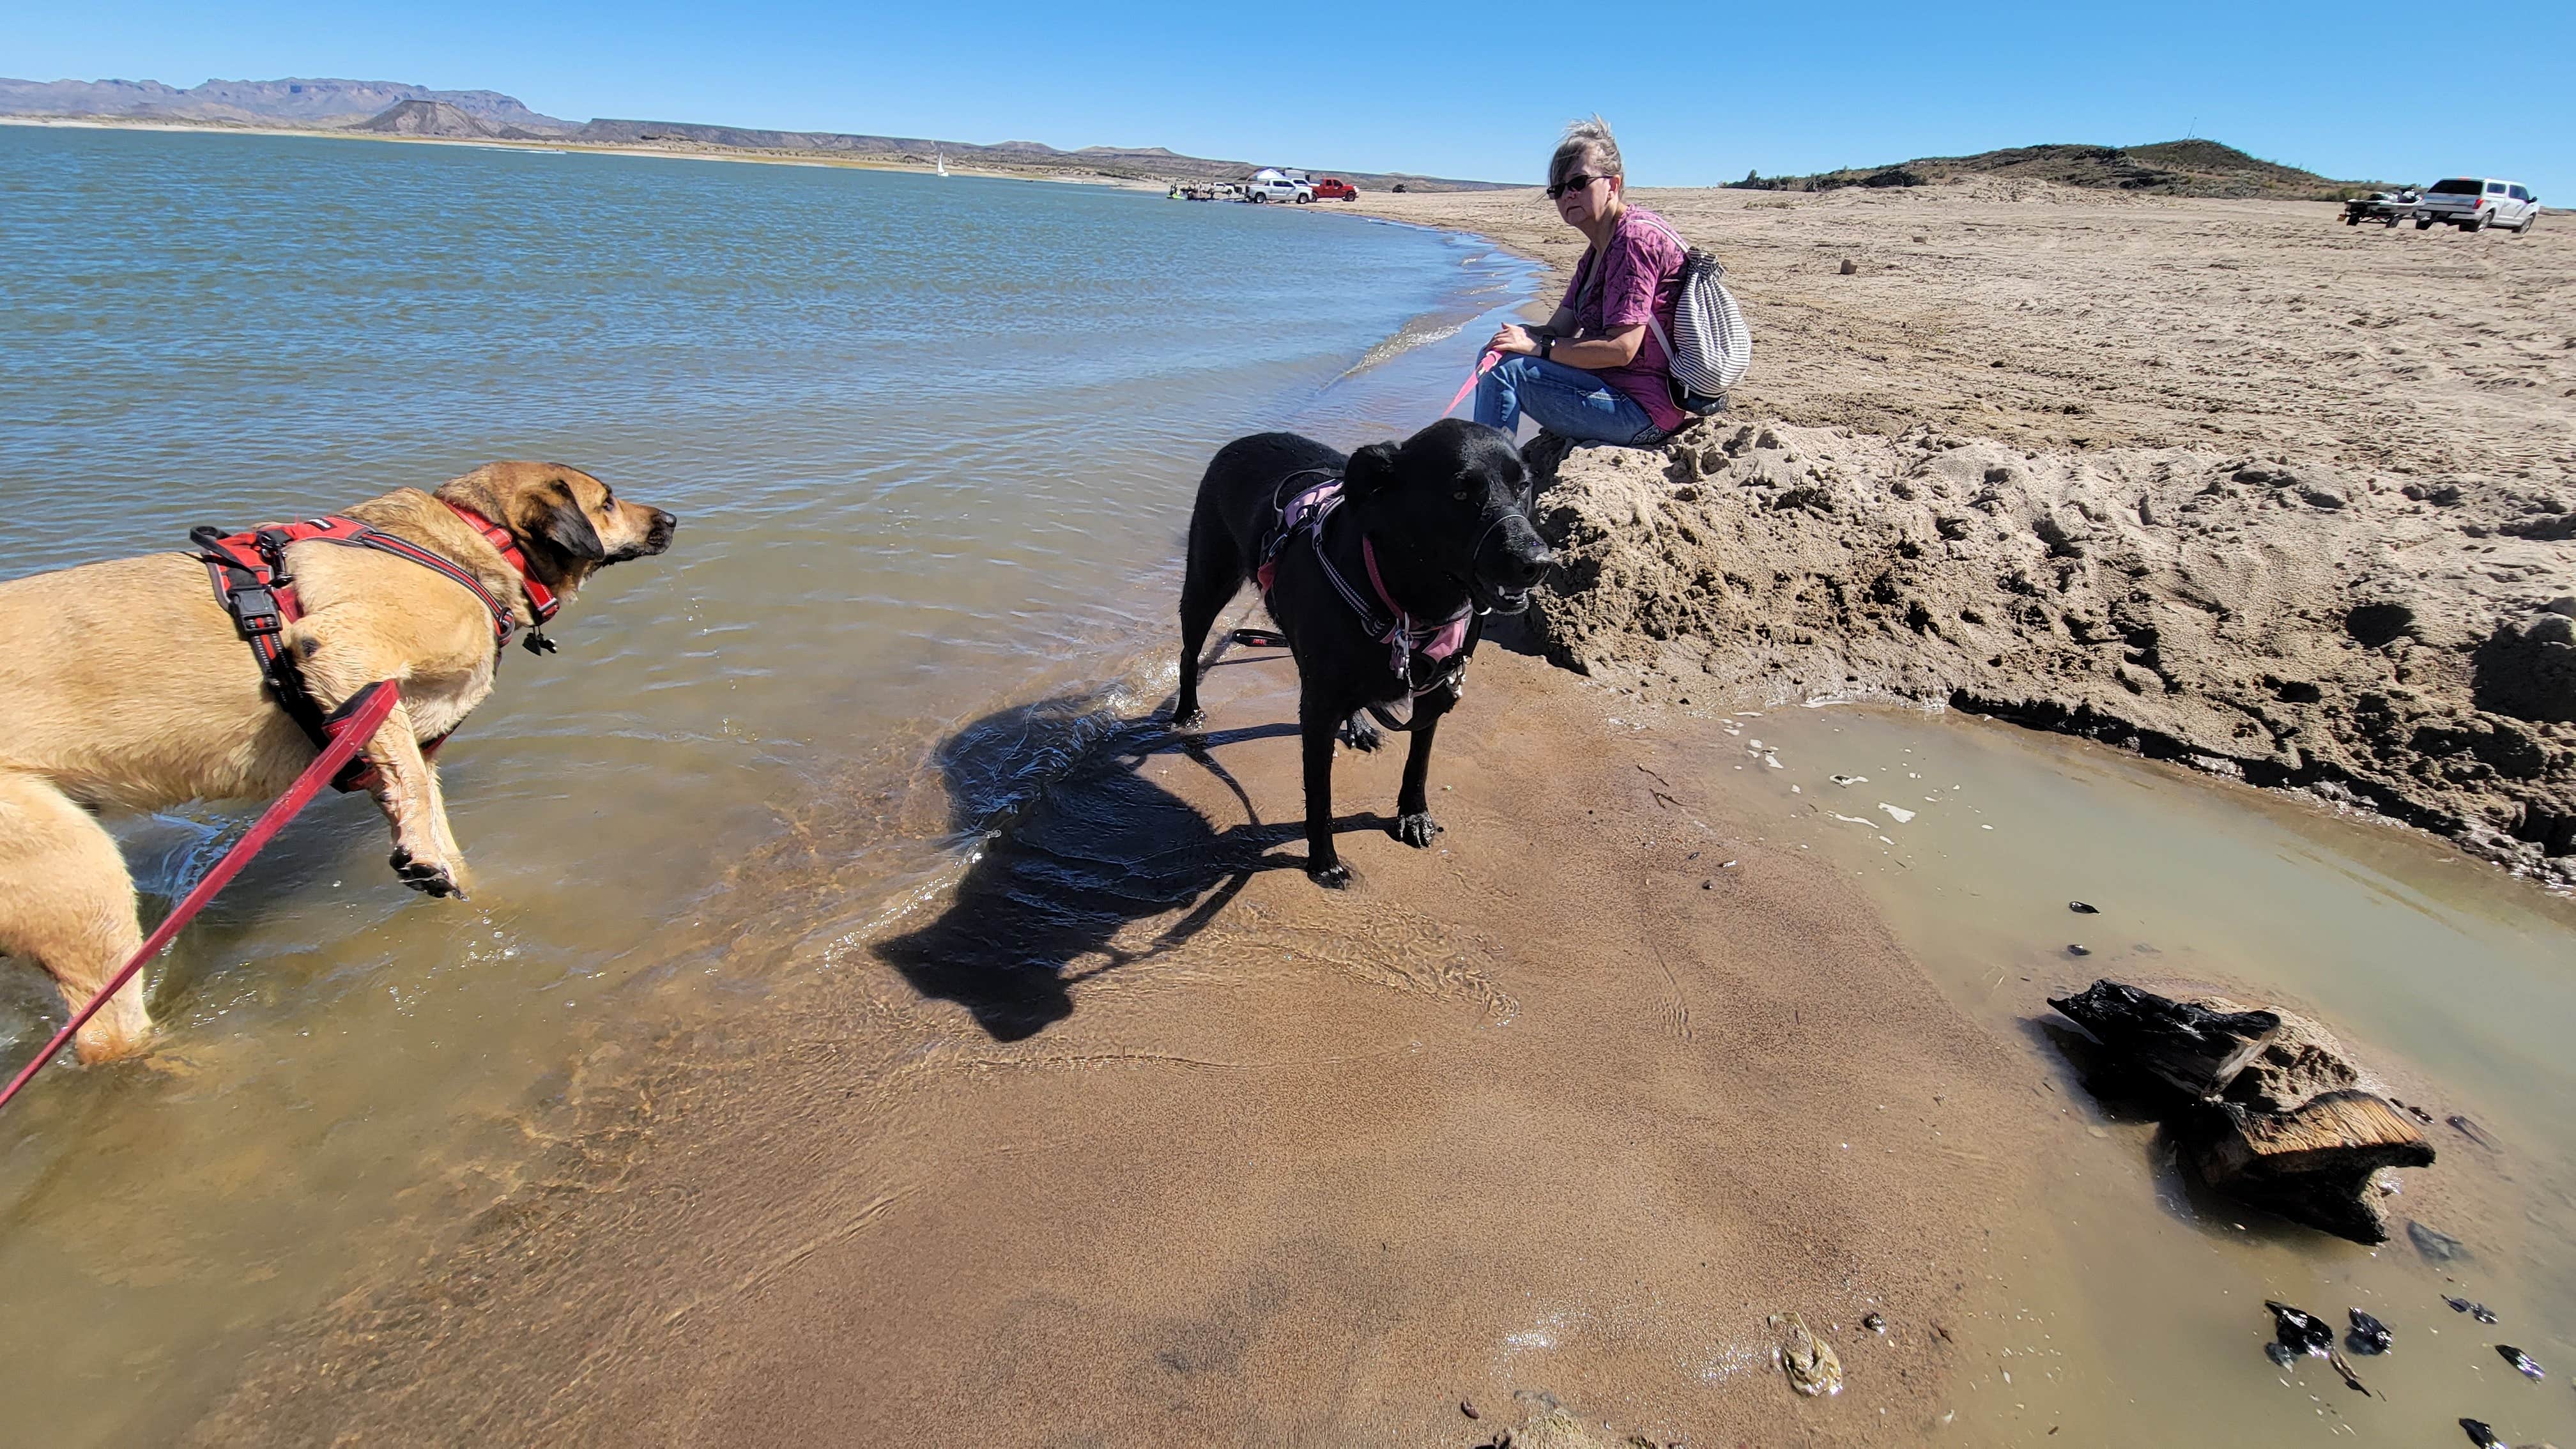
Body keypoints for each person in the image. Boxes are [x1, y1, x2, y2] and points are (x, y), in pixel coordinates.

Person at [1475, 117, 1687, 449]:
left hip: (1643, 411)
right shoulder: (1597, 250)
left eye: (1578, 182)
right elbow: (1560, 329)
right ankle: (1492, 467)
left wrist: (1535, 347)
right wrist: (1518, 337)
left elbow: (1622, 350)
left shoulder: (1634, 240)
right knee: (1499, 357)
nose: (1567, 196)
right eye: (1557, 189)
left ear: (1613, 185)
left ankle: (1489, 480)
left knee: (1508, 372)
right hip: (1611, 392)